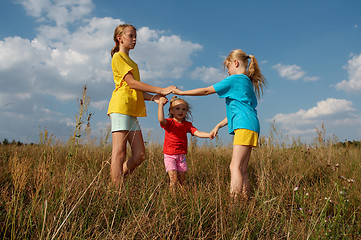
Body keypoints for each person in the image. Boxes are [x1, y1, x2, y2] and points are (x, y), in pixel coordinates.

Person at [172, 49, 266, 200]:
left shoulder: (235, 79)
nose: (227, 72)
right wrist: (218, 126)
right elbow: (235, 113)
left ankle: (234, 204)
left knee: (234, 166)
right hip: (252, 125)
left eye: (227, 67)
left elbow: (206, 90)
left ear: (235, 63)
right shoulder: (247, 82)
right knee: (242, 168)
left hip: (243, 125)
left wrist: (182, 93)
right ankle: (246, 200)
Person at [107, 24, 176, 188]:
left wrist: (155, 98)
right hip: (120, 107)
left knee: (140, 155)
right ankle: (116, 191)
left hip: (132, 110)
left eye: (135, 36)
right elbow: (131, 83)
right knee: (120, 152)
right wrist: (160, 89)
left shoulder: (132, 63)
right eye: (131, 36)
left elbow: (136, 90)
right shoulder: (118, 57)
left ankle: (115, 182)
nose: (134, 39)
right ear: (120, 38)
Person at [158, 96, 211, 189]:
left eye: (184, 109)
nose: (181, 111)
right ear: (171, 111)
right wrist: (160, 105)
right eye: (177, 108)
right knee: (173, 178)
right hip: (169, 155)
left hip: (181, 155)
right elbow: (161, 120)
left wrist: (209, 134)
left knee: (182, 179)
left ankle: (182, 196)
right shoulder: (169, 123)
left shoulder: (187, 125)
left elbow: (197, 132)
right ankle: (172, 199)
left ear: (186, 112)